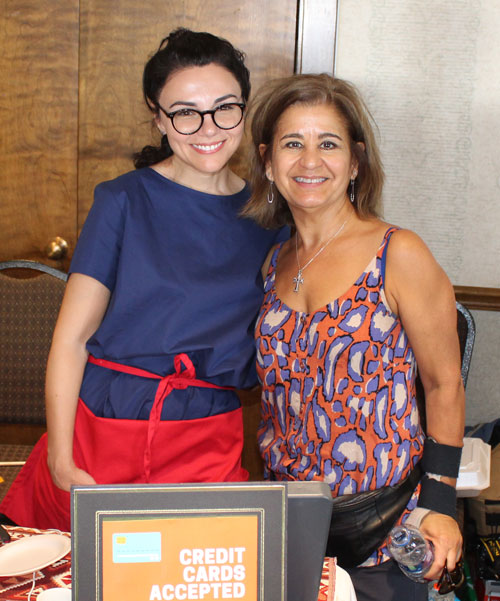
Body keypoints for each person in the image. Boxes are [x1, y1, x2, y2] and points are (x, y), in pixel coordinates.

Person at [0, 28, 287, 532]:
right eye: (184, 112)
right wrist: (61, 459)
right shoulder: (123, 201)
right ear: (158, 116)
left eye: (225, 107)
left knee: (195, 569)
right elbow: (71, 340)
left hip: (207, 434)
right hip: (104, 425)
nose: (208, 127)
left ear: (245, 107)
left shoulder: (271, 220)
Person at [243, 74, 465, 601]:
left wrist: (440, 503)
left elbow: (444, 384)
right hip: (290, 523)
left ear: (356, 162)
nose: (310, 160)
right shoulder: (274, 261)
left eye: (329, 144)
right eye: (292, 143)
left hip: (386, 527)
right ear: (269, 162)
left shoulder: (398, 253)